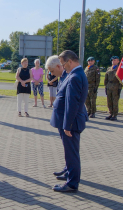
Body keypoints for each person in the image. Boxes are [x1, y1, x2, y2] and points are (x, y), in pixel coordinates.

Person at [48, 51, 88, 193]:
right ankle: (70, 177)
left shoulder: (75, 76)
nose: (63, 68)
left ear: (70, 61)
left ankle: (72, 183)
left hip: (72, 122)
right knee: (71, 153)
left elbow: (72, 104)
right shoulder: (76, 74)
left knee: (72, 154)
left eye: (63, 64)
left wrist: (67, 125)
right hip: (72, 121)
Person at [104, 56, 122, 121]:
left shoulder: (119, 69)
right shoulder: (109, 68)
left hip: (116, 87)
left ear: (118, 61)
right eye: (112, 60)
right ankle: (111, 113)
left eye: (115, 60)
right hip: (109, 86)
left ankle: (115, 115)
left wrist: (119, 88)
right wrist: (106, 86)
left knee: (115, 102)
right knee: (109, 101)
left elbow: (120, 80)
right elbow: (106, 78)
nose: (113, 61)